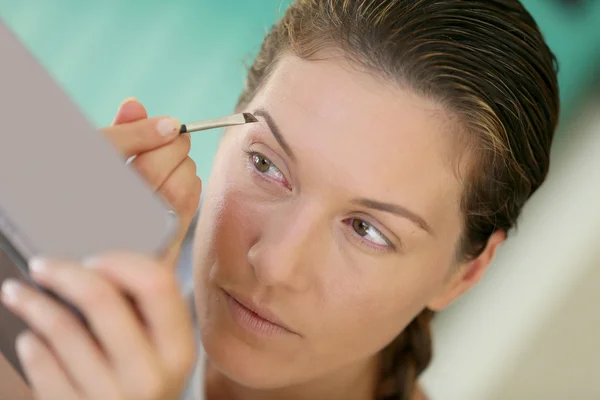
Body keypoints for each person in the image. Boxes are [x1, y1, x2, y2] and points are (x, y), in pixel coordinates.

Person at [0, 0, 560, 399]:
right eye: (267, 165)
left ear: (463, 273)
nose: (273, 261)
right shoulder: (103, 249)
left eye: (367, 230)